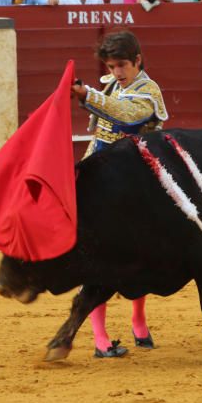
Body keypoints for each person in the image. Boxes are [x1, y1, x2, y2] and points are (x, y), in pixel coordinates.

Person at [71, 30, 168, 357]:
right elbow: (100, 133)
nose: (116, 72)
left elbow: (127, 116)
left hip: (134, 184)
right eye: (111, 66)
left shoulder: (148, 91)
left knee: (139, 257)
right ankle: (100, 338)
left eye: (122, 65)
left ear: (138, 61)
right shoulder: (111, 84)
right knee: (97, 258)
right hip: (101, 178)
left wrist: (88, 95)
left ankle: (138, 321)